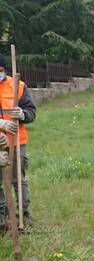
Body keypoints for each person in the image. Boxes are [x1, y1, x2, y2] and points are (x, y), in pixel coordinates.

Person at [0, 54, 37, 229]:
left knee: (18, 179)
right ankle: (2, 217)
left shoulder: (18, 86)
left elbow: (31, 113)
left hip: (16, 142)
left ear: (5, 70)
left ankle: (23, 215)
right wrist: (2, 123)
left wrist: (22, 114)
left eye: (0, 70)